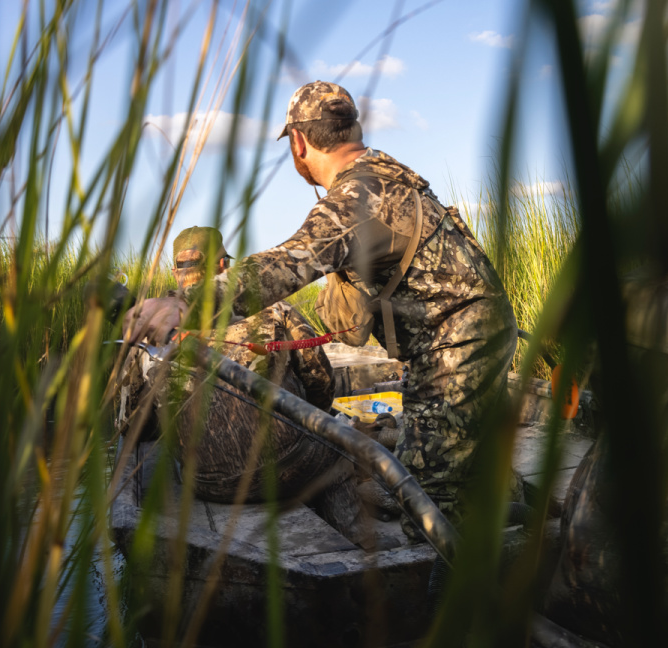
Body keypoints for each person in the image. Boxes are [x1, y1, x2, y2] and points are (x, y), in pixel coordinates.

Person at [126, 81, 519, 529]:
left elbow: (287, 263)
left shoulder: (357, 196)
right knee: (486, 475)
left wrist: (186, 302)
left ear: (298, 141)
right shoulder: (389, 177)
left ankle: (460, 589)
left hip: (455, 350)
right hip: (478, 335)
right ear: (353, 127)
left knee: (430, 509)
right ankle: (520, 543)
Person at [123, 227, 368, 543]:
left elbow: (134, 425)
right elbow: (319, 381)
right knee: (338, 442)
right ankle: (356, 536)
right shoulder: (274, 308)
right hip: (290, 468)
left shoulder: (147, 331)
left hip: (205, 482)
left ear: (174, 272)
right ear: (224, 266)